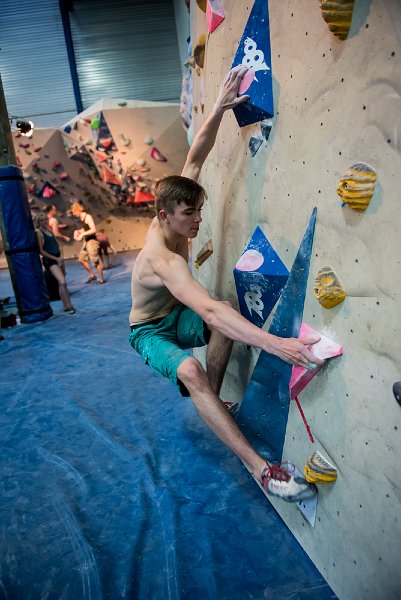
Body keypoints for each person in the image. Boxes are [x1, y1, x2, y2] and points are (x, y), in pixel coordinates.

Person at [128, 66, 324, 503]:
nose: (197, 221)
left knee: (224, 322)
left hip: (176, 315)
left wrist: (217, 106)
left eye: (199, 212)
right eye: (190, 215)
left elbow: (196, 157)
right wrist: (276, 344)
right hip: (150, 331)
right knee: (191, 368)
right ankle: (263, 471)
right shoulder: (161, 260)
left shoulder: (174, 206)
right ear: (164, 216)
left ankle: (212, 401)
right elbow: (211, 312)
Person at [34, 212, 76, 314]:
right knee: (62, 281)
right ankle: (67, 306)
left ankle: (68, 305)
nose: (44, 221)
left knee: (63, 283)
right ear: (38, 222)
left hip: (58, 258)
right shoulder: (39, 232)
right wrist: (55, 258)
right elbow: (41, 251)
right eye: (41, 220)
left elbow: (58, 245)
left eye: (45, 219)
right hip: (50, 260)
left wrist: (61, 257)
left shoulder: (50, 231)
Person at [71, 202, 104, 284]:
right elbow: (86, 229)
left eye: (74, 212)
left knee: (95, 261)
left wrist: (82, 234)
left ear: (77, 210)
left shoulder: (88, 217)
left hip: (92, 241)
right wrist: (78, 231)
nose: (74, 214)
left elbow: (93, 229)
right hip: (86, 241)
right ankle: (92, 275)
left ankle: (101, 279)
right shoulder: (81, 218)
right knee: (81, 259)